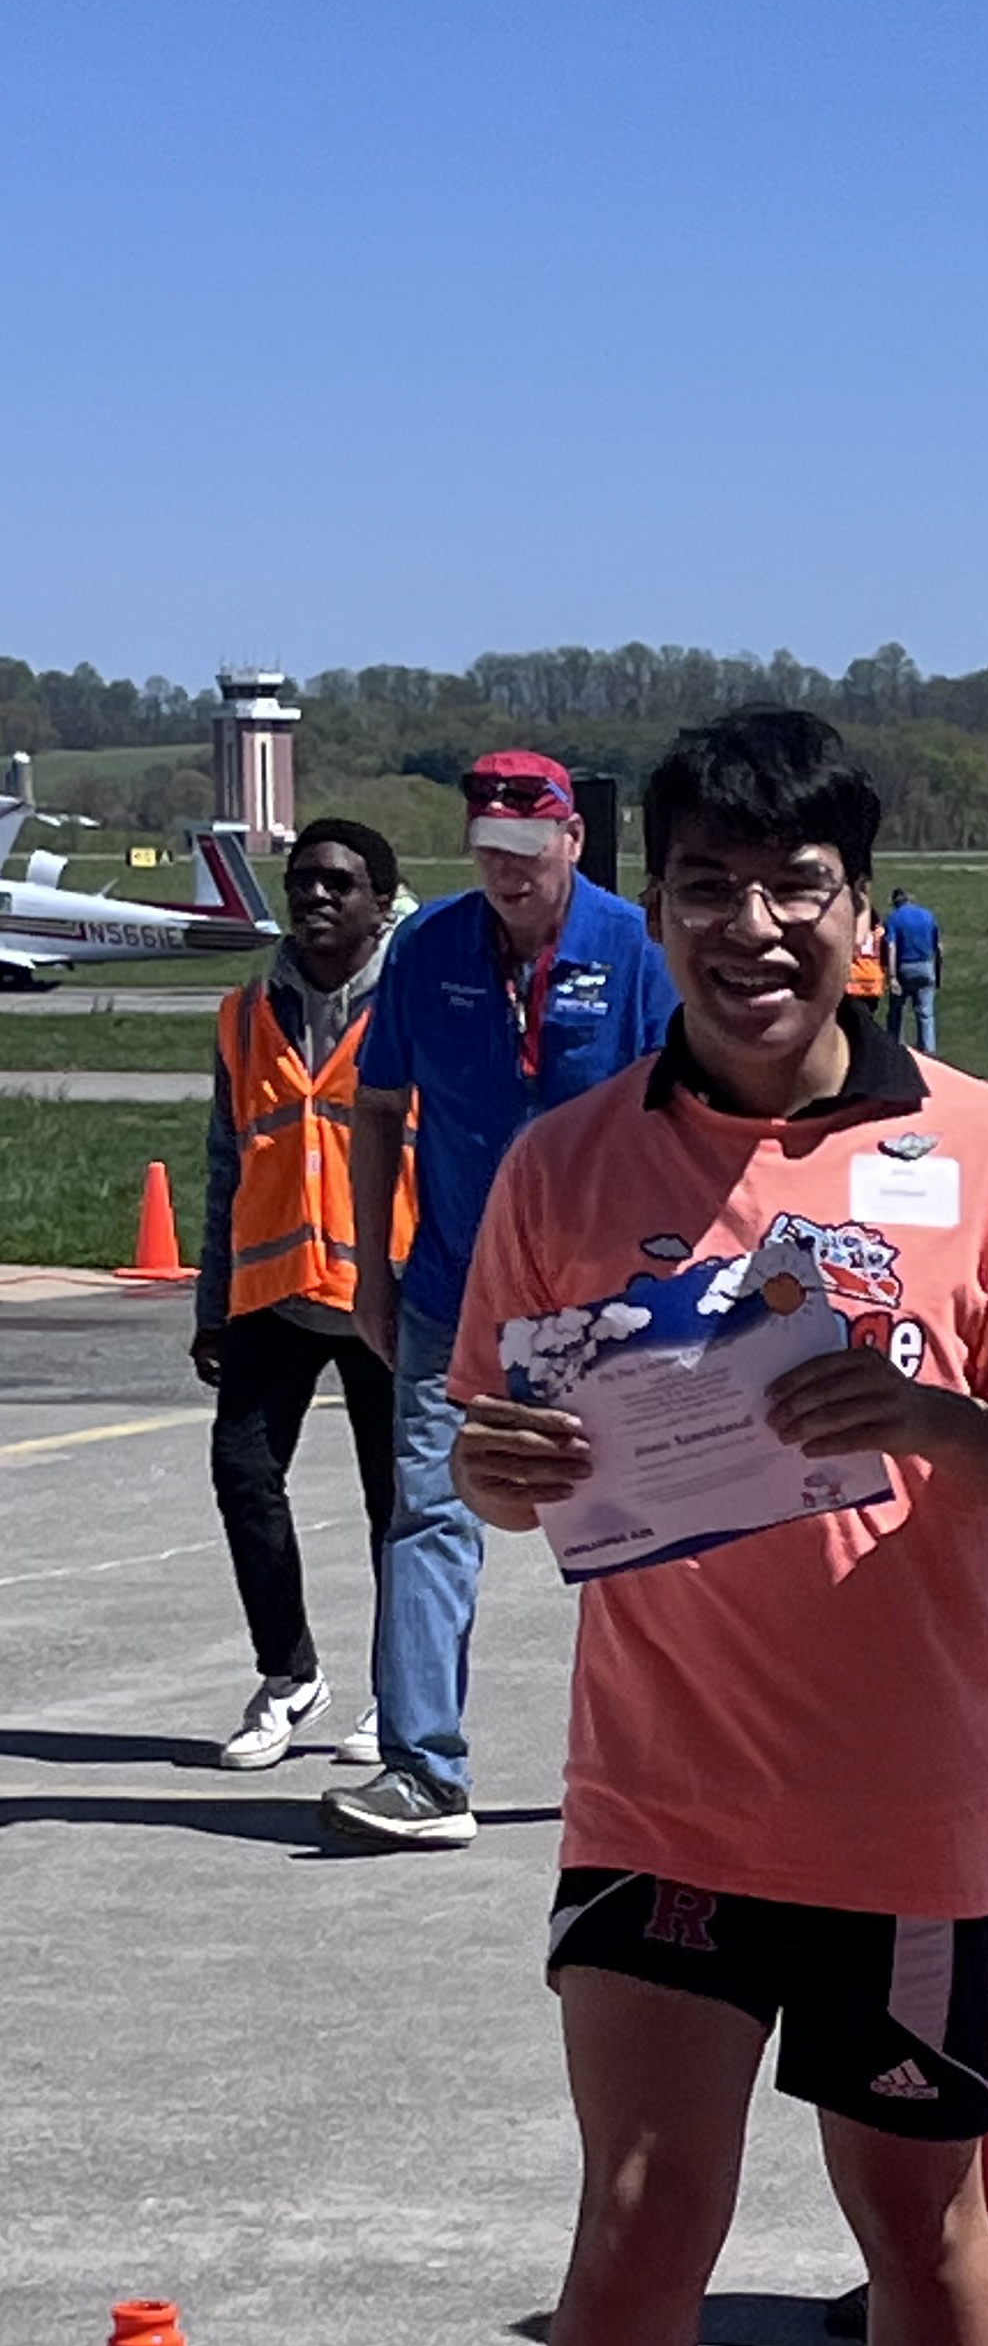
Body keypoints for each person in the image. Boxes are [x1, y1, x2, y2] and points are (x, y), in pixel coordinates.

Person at [446, 710, 988, 2346]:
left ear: (857, 911)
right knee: (640, 2228)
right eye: (712, 885)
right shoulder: (567, 1166)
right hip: (657, 1794)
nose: (753, 928)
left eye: (795, 886)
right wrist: (501, 1457)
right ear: (664, 904)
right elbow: (485, 1434)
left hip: (911, 1804)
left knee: (917, 2229)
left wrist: (923, 1416)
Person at [323, 752, 677, 1850]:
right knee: (426, 1513)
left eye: (527, 853)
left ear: (572, 840)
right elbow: (377, 1107)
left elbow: (683, 1116)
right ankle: (423, 1770)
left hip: (605, 1296)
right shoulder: (428, 951)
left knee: (632, 1527)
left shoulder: (632, 951)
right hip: (452, 1284)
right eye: (488, 853)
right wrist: (369, 1273)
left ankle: (655, 1771)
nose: (509, 874)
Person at [193, 820, 409, 1770]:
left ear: (381, 901)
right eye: (303, 882)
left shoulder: (413, 1004)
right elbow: (223, 1162)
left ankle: (396, 1691)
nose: (316, 898)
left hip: (384, 1294)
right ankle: (289, 1675)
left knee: (394, 1505)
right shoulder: (246, 1013)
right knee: (242, 1474)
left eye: (338, 883)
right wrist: (212, 1303)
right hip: (274, 1290)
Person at [883, 885, 941, 1051]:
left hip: (905, 967)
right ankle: (928, 1051)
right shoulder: (928, 916)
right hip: (926, 966)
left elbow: (891, 946)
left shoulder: (893, 918)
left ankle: (894, 1046)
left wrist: (892, 976)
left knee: (897, 1011)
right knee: (925, 1013)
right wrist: (937, 972)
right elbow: (938, 947)